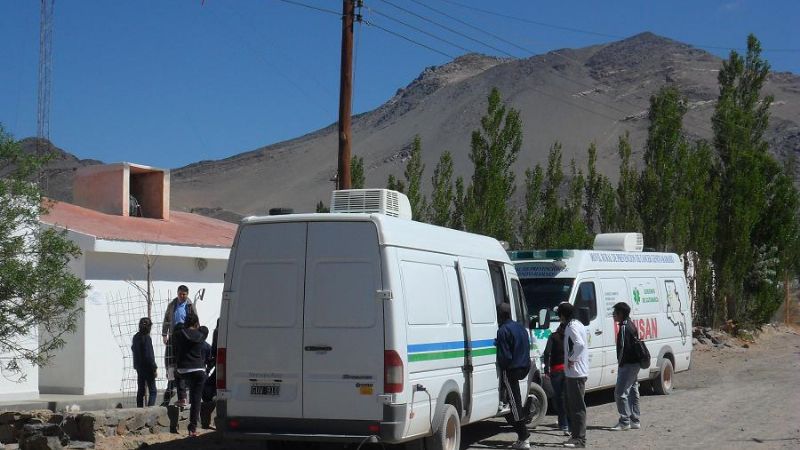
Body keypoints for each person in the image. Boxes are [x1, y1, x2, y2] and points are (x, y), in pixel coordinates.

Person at [495, 303, 532, 450]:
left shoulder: (503, 330)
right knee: (515, 400)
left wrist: (502, 367)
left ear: (501, 315)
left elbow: (505, 356)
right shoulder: (520, 327)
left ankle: (524, 437)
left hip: (512, 369)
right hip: (524, 366)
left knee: (514, 402)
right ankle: (522, 435)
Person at [161, 285, 198, 406]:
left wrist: (196, 334)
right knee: (171, 360)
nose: (182, 296)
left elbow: (195, 319)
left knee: (183, 360)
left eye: (184, 294)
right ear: (177, 293)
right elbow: (166, 319)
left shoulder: (189, 305)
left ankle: (183, 393)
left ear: (187, 294)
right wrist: (164, 334)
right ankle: (171, 387)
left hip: (186, 335)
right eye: (180, 294)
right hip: (174, 334)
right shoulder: (172, 305)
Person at [558, 302, 588, 448]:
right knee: (573, 406)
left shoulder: (572, 326)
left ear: (563, 315)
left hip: (576, 373)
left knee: (577, 407)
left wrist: (571, 359)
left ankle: (579, 439)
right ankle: (575, 435)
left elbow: (580, 344)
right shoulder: (577, 324)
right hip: (574, 372)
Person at [173, 312, 207, 437]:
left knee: (176, 373)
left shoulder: (178, 334)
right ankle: (192, 429)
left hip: (183, 370)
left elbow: (175, 347)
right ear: (196, 323)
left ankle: (182, 396)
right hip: (199, 370)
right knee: (196, 400)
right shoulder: (201, 335)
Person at [611, 302, 641, 431]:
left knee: (620, 393)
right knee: (633, 391)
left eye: (615, 313)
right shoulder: (631, 324)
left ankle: (624, 421)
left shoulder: (624, 327)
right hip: (635, 363)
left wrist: (620, 362)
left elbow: (622, 348)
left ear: (621, 314)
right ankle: (635, 419)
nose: (613, 315)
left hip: (627, 364)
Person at [543, 320, 570, 436]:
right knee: (567, 398)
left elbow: (546, 352)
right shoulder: (570, 337)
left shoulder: (553, 337)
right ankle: (567, 424)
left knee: (558, 398)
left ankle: (563, 423)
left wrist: (546, 369)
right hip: (569, 370)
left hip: (556, 370)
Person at [131, 317, 157, 407]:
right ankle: (150, 410)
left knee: (141, 390)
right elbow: (149, 356)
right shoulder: (147, 338)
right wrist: (154, 368)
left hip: (139, 367)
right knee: (153, 391)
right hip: (148, 368)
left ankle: (139, 409)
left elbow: (134, 350)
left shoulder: (136, 337)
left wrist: (136, 365)